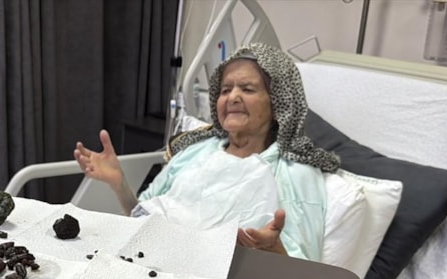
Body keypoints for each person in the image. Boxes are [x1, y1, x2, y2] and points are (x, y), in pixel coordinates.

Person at [74, 43, 340, 261]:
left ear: (278, 103)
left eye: (247, 89)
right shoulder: (193, 152)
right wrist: (120, 184)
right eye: (225, 90)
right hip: (149, 269)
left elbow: (305, 273)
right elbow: (141, 219)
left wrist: (273, 252)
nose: (232, 97)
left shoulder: (295, 173)